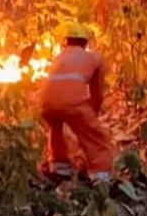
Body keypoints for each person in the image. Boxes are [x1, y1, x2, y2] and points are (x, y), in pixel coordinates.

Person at [39, 22, 115, 183]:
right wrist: (92, 113)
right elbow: (96, 92)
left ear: (66, 41)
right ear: (85, 42)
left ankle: (60, 167)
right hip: (73, 103)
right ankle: (101, 176)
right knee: (95, 137)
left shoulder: (57, 58)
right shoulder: (93, 57)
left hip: (47, 103)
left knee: (56, 131)